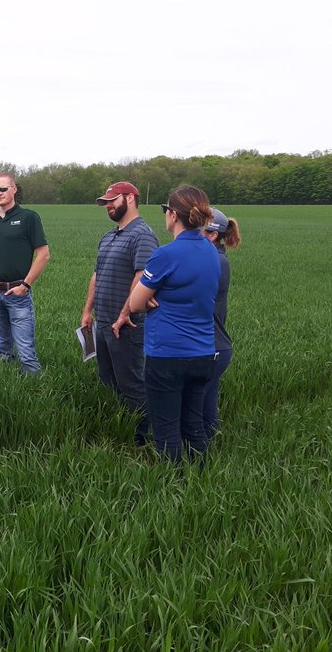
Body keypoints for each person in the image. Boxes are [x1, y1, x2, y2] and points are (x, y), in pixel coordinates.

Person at [127, 185, 220, 464]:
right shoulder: (211, 250)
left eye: (165, 210)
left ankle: (173, 488)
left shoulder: (166, 254)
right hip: (203, 352)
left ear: (173, 215)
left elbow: (134, 304)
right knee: (194, 426)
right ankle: (200, 480)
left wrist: (151, 297)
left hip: (167, 354)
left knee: (166, 430)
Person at [81, 181, 160, 445]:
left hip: (126, 325)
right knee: (108, 379)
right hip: (103, 321)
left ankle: (141, 438)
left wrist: (125, 312)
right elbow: (97, 275)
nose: (108, 206)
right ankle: (119, 427)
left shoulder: (143, 235)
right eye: (105, 203)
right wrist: (87, 311)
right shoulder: (109, 236)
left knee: (132, 384)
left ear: (130, 198)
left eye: (112, 201)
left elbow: (142, 278)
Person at [0, 173, 49, 374]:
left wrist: (25, 286)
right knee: (1, 348)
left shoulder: (28, 217)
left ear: (14, 189)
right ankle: (7, 383)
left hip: (18, 293)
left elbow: (43, 255)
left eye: (3, 189)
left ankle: (36, 388)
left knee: (26, 351)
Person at [202, 208, 241, 440]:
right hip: (214, 345)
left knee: (199, 409)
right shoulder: (215, 257)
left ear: (213, 235)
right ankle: (209, 452)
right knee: (206, 405)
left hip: (212, 347)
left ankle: (200, 458)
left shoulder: (215, 261)